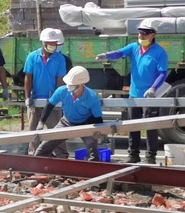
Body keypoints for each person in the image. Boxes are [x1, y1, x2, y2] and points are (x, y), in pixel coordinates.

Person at [96, 18, 168, 164]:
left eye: (145, 34)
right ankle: (133, 154)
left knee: (150, 126)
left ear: (153, 35)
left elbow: (162, 73)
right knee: (133, 124)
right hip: (134, 94)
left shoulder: (160, 52)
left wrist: (153, 88)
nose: (141, 36)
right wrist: (106, 55)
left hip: (150, 96)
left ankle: (150, 156)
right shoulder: (134, 47)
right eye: (140, 33)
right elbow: (119, 53)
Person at [34, 66, 103, 161]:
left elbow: (98, 118)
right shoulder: (62, 91)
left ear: (81, 84)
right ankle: (36, 163)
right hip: (66, 122)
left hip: (87, 123)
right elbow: (50, 105)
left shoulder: (92, 97)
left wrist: (98, 131)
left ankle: (94, 166)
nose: (69, 86)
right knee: (45, 146)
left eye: (72, 85)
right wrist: (41, 122)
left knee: (92, 148)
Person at [23, 28, 67, 155]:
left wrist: (58, 100)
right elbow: (28, 78)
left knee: (56, 131)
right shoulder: (32, 57)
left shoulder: (59, 59)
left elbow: (60, 80)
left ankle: (62, 156)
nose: (53, 45)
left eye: (54, 43)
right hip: (35, 100)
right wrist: (27, 97)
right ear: (43, 42)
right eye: (50, 43)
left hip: (51, 100)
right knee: (33, 131)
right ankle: (33, 154)